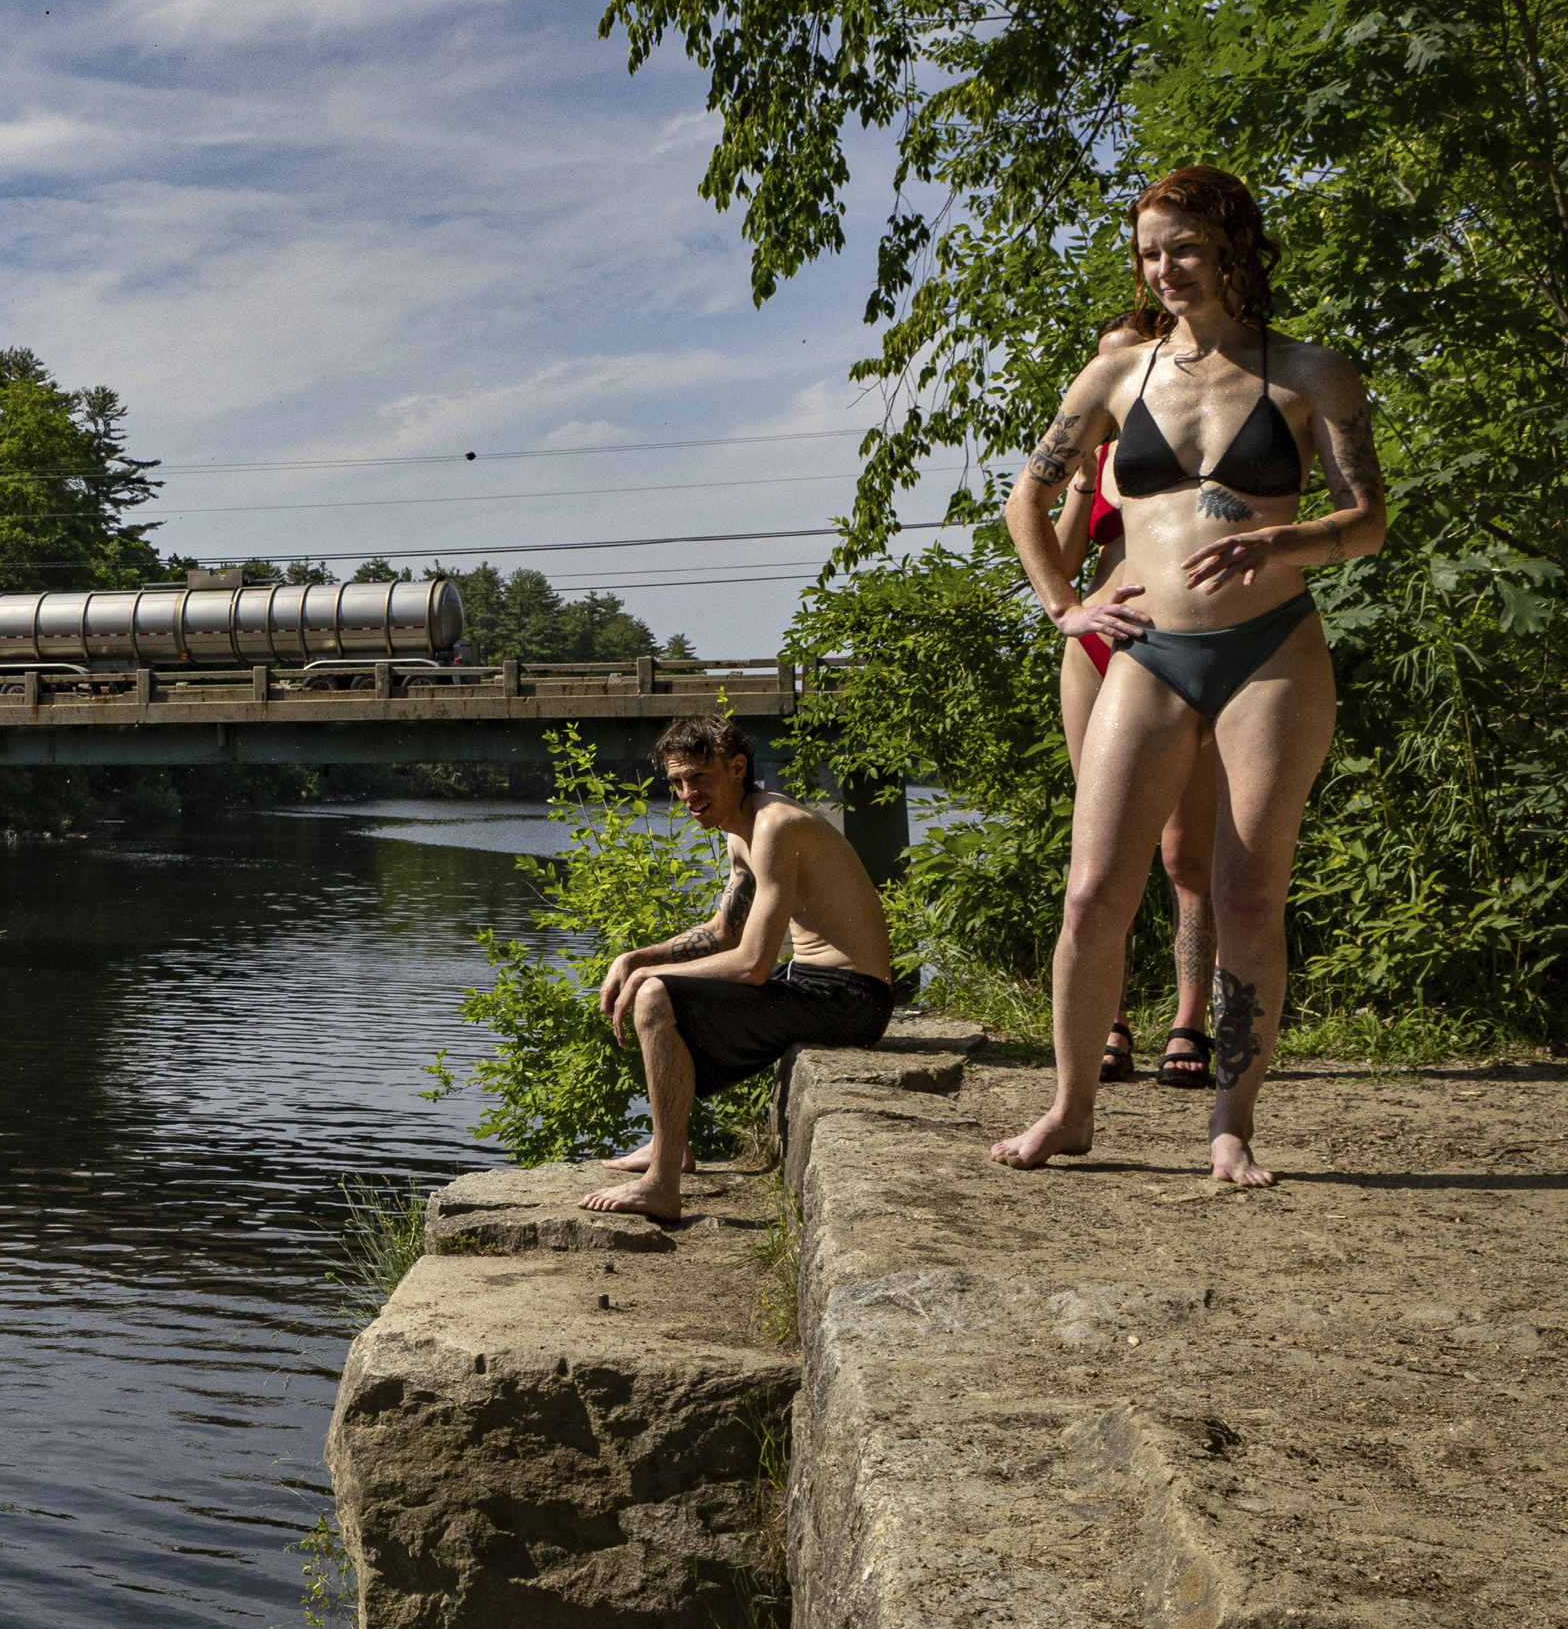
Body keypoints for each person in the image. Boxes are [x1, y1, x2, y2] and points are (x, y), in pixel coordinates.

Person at [988, 166, 1385, 1188]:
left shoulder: (1311, 374)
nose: (1163, 268)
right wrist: (1064, 606)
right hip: (1149, 651)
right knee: (1090, 896)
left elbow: (1369, 521)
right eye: (1149, 250)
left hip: (1272, 653)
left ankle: (1230, 1126)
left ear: (1235, 246)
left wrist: (1282, 541)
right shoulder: (1116, 378)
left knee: (1249, 897)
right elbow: (1024, 505)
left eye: (1184, 247)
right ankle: (1071, 1109)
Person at [578, 715, 897, 1221]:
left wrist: (648, 980)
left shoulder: (776, 824)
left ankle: (660, 1185)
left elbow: (751, 965)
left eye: (699, 779)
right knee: (654, 986)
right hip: (816, 985)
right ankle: (670, 1147)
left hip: (851, 999)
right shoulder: (741, 830)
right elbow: (724, 931)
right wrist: (636, 957)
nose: (687, 793)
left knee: (656, 997)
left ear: (737, 768)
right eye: (678, 782)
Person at [1050, 314, 1223, 1090]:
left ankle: (1190, 1020)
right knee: (1101, 852)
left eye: (1126, 365)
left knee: (1186, 852)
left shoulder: (1192, 440)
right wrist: (1084, 476)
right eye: (1103, 370)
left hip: (1180, 646)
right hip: (1095, 647)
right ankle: (1108, 1019)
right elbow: (1058, 561)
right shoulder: (1095, 462)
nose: (1113, 385)